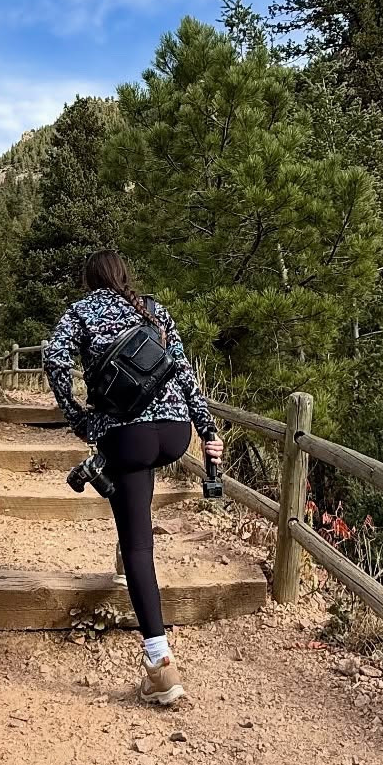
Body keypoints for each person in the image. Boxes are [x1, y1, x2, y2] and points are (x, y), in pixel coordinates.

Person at [44, 250, 223, 706]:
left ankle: (161, 666)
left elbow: (54, 357)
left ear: (90, 281)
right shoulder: (153, 309)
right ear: (125, 275)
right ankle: (105, 474)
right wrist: (208, 432)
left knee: (139, 546)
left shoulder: (82, 311)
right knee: (133, 507)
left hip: (128, 436)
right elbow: (183, 372)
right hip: (176, 433)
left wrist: (77, 417)